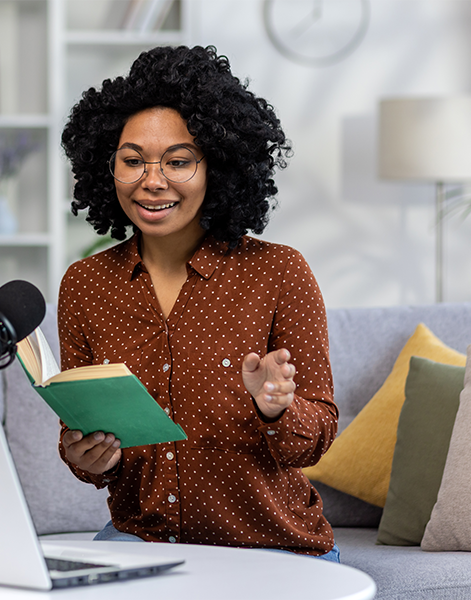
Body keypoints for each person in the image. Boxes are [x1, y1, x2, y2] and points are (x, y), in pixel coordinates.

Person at [57, 45, 339, 561]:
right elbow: (85, 444)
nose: (152, 180)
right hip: (140, 542)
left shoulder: (279, 272)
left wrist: (278, 407)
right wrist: (87, 456)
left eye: (179, 161)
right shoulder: (85, 285)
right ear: (108, 166)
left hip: (271, 549)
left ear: (219, 166)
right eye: (132, 160)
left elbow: (315, 438)